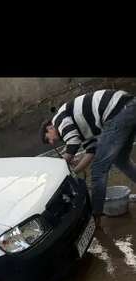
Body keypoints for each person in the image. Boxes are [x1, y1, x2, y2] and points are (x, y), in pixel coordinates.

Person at [40, 89, 136, 227]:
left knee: (98, 170)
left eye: (48, 138)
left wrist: (59, 167)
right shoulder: (79, 128)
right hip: (128, 107)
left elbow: (72, 144)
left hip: (118, 111)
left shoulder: (58, 120)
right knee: (121, 160)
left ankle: (95, 219)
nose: (52, 142)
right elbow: (91, 151)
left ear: (49, 128)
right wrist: (73, 172)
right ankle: (97, 215)